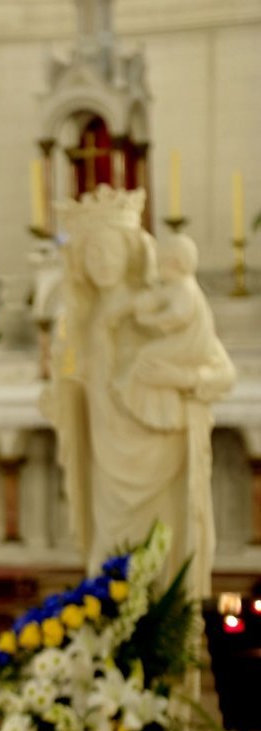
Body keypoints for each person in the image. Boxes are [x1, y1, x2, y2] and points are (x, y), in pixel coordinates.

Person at [45, 187, 234, 599]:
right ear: (79, 260)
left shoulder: (160, 302)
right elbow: (70, 384)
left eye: (110, 251)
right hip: (105, 453)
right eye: (92, 254)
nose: (102, 262)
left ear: (132, 251)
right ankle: (111, 639)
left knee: (161, 545)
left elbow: (222, 373)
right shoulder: (77, 318)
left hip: (159, 445)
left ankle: (160, 640)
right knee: (110, 543)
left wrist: (176, 378)